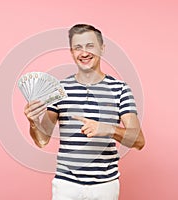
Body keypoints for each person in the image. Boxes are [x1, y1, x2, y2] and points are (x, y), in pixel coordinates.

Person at [24, 24, 145, 200]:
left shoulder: (120, 89)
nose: (84, 52)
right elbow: (42, 140)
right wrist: (33, 122)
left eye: (90, 46)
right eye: (78, 47)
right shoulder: (59, 90)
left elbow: (139, 141)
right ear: (72, 52)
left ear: (102, 49)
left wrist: (108, 129)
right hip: (66, 186)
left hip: (105, 187)